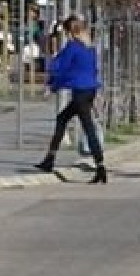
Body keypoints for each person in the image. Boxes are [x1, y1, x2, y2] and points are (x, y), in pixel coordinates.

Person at [35, 16, 106, 184]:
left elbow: (60, 68)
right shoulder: (89, 47)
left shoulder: (72, 47)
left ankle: (100, 166)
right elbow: (92, 70)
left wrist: (51, 86)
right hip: (89, 91)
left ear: (69, 32)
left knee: (88, 127)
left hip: (80, 93)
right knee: (63, 118)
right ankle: (49, 159)